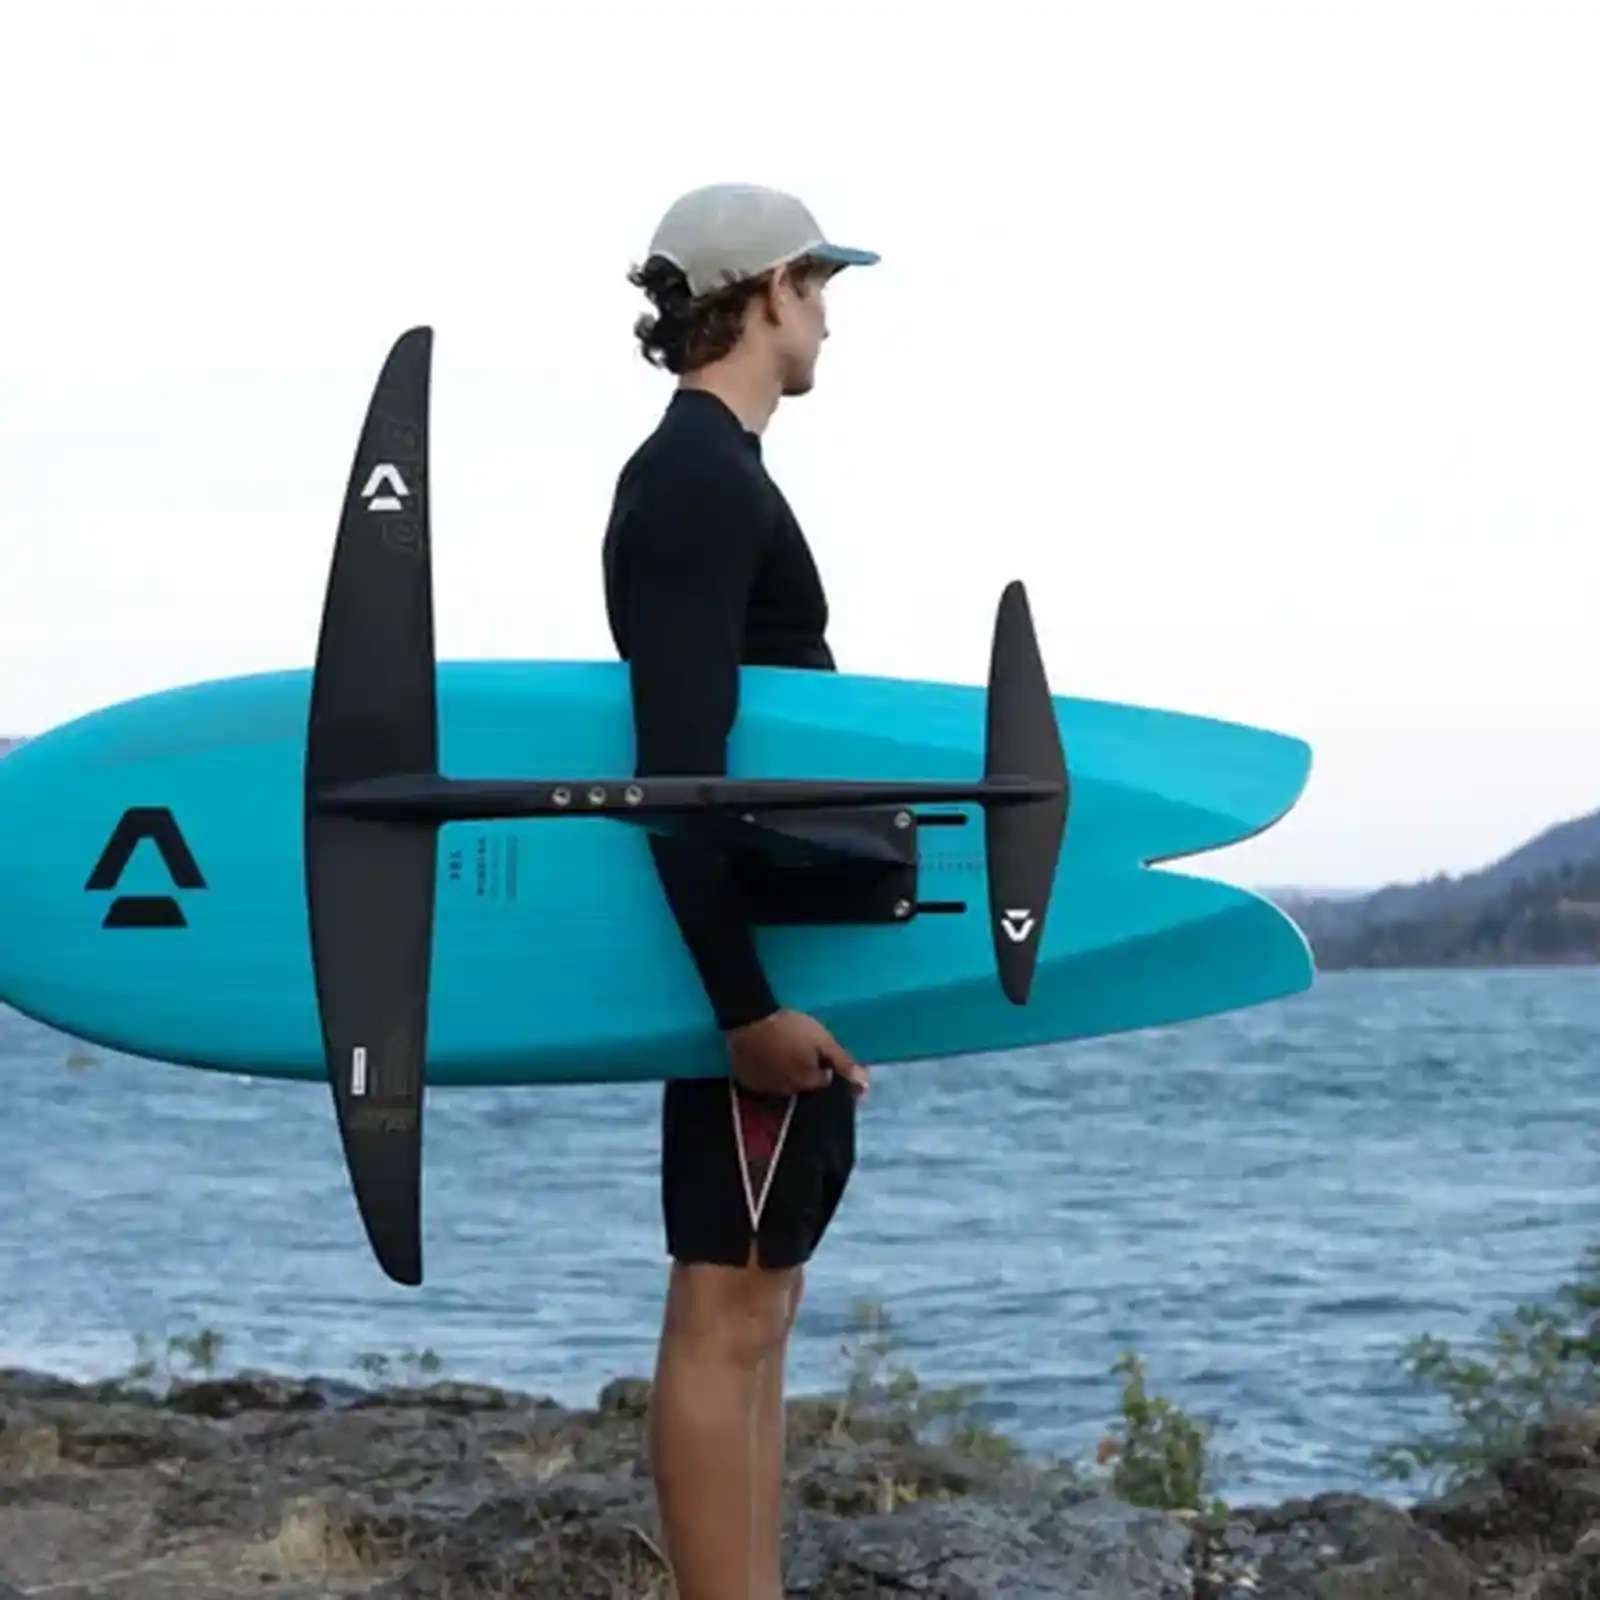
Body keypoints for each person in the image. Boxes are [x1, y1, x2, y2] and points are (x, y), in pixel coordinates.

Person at [601, 183, 878, 1599]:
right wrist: (743, 1010)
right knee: (724, 1308)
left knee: (762, 1301)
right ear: (770, 290)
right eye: (818, 286)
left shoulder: (718, 474)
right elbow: (677, 774)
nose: (828, 316)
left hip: (778, 952)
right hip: (749, 966)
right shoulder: (695, 483)